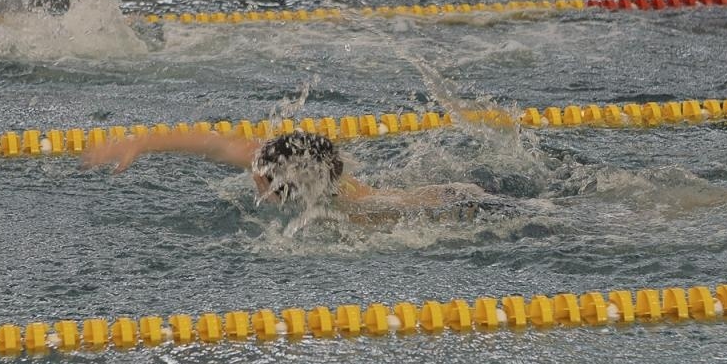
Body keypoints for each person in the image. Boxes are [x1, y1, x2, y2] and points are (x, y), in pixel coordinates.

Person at [82, 130, 461, 215]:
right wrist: (140, 143)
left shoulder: (361, 212)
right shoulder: (310, 178)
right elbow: (212, 143)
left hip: (459, 202)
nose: (252, 170)